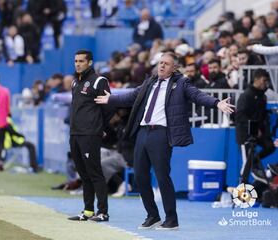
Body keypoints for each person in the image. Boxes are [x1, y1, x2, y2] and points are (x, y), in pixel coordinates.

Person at [94, 52, 234, 230]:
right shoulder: (150, 81)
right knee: (140, 177)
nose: (161, 66)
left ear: (174, 68)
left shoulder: (181, 83)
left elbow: (198, 96)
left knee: (162, 176)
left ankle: (171, 219)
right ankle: (152, 215)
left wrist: (216, 103)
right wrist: (110, 99)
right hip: (143, 132)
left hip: (161, 134)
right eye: (160, 63)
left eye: (166, 64)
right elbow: (131, 96)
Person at [67, 49, 114, 222]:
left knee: (94, 172)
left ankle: (103, 212)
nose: (78, 64)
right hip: (75, 133)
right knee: (83, 173)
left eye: (81, 61)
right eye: (76, 61)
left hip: (90, 134)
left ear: (90, 62)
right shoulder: (74, 83)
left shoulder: (99, 81)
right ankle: (87, 210)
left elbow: (109, 106)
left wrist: (99, 126)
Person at [235, 69, 276, 184]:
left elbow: (261, 115)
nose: (266, 83)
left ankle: (254, 161)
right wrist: (254, 129)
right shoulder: (246, 95)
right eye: (264, 80)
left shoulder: (263, 97)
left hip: (258, 133)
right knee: (246, 163)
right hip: (245, 135)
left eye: (267, 81)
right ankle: (241, 188)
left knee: (270, 146)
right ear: (256, 79)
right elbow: (240, 116)